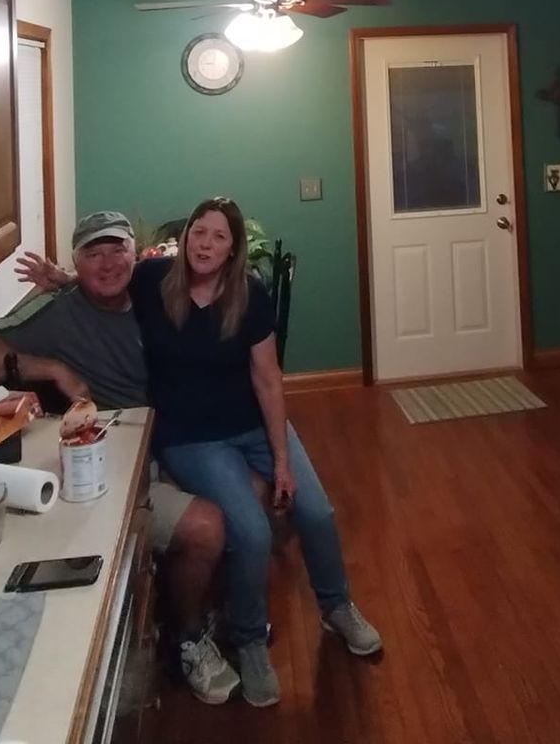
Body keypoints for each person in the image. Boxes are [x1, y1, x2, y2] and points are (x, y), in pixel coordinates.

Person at [0, 210, 242, 706]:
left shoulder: (160, 293)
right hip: (120, 457)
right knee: (206, 527)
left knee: (257, 499)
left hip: (184, 436)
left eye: (116, 250)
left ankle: (222, 611)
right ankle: (185, 636)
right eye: (92, 253)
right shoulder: (58, 310)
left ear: (136, 255)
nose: (106, 264)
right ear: (76, 262)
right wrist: (52, 368)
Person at [131, 197, 381, 709]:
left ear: (234, 250)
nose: (205, 244)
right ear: (186, 238)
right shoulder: (153, 279)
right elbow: (99, 279)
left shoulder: (250, 294)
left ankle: (336, 607)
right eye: (199, 232)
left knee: (316, 509)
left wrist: (281, 459)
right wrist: (56, 279)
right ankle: (248, 640)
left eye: (219, 237)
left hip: (250, 426)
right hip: (191, 438)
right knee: (250, 528)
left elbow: (267, 379)